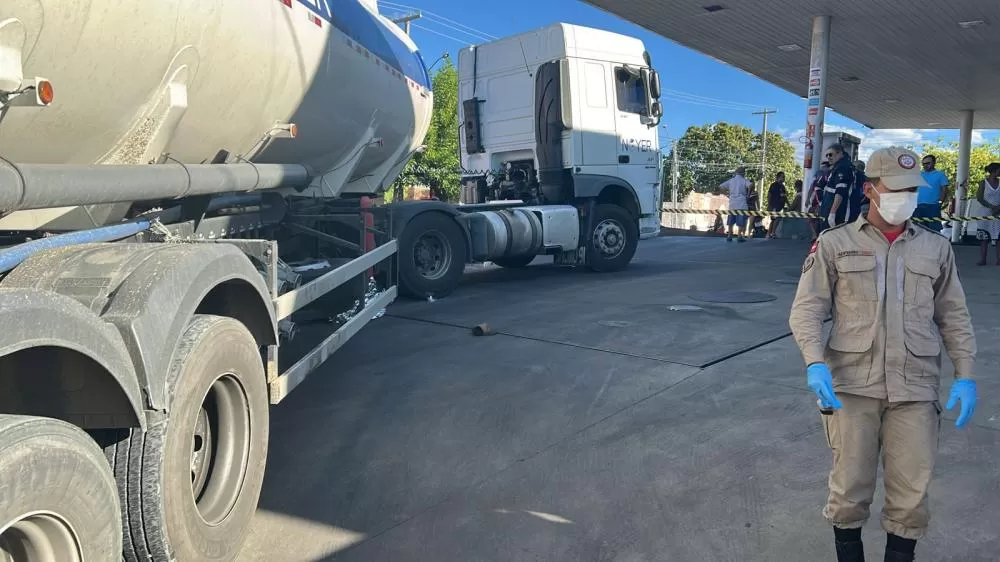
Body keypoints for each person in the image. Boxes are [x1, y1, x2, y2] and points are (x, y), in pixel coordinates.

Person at [789, 147, 977, 562]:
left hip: (915, 388)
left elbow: (954, 316)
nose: (906, 197)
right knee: (848, 492)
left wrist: (965, 373)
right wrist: (814, 362)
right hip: (852, 387)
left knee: (911, 499)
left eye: (912, 189)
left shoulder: (935, 248)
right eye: (896, 189)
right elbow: (807, 310)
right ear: (870, 190)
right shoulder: (835, 243)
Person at [966, 162, 1000, 265]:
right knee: (984, 237)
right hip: (985, 212)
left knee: (998, 237)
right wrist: (991, 207)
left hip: (998, 213)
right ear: (994, 171)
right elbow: (980, 198)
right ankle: (983, 259)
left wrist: (998, 208)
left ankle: (999, 260)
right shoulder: (983, 183)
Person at [819, 143, 854, 230]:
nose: (828, 157)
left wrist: (832, 213)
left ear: (840, 153)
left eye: (830, 154)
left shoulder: (843, 168)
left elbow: (840, 192)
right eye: (827, 155)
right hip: (828, 209)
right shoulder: (837, 167)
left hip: (838, 212)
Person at [916, 154, 949, 232]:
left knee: (934, 231)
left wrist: (939, 203)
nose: (925, 165)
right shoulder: (919, 175)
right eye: (923, 164)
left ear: (934, 162)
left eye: (928, 163)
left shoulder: (940, 175)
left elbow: (944, 190)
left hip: (933, 206)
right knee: (918, 231)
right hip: (918, 206)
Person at [719, 167, 750, 242]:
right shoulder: (744, 180)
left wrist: (727, 194)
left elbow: (720, 186)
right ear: (743, 173)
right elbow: (751, 185)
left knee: (731, 221)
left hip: (732, 203)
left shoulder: (731, 181)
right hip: (741, 203)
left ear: (736, 173)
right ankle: (739, 236)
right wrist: (748, 194)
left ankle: (729, 235)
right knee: (741, 221)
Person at [809, 161, 832, 241]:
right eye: (821, 168)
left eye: (824, 167)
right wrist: (808, 199)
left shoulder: (831, 176)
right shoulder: (820, 177)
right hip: (816, 201)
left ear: (828, 167)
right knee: (811, 217)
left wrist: (821, 203)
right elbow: (814, 188)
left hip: (825, 203)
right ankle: (815, 235)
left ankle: (819, 237)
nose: (822, 169)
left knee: (820, 219)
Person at [767, 171, 788, 239]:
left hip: (780, 206)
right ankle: (772, 233)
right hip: (774, 205)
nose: (784, 178)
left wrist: (788, 204)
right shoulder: (774, 185)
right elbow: (769, 194)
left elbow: (785, 196)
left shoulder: (783, 186)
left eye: (784, 177)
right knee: (776, 219)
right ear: (778, 177)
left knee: (775, 219)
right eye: (782, 177)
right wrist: (769, 204)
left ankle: (769, 233)